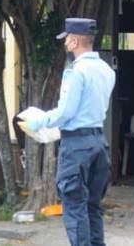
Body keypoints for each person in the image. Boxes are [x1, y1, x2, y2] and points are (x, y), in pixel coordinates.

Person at [22, 17, 117, 246]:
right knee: (93, 207)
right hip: (98, 142)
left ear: (74, 41)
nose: (64, 44)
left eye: (66, 40)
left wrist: (39, 120)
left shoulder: (76, 71)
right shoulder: (106, 69)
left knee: (74, 207)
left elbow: (66, 113)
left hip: (76, 146)